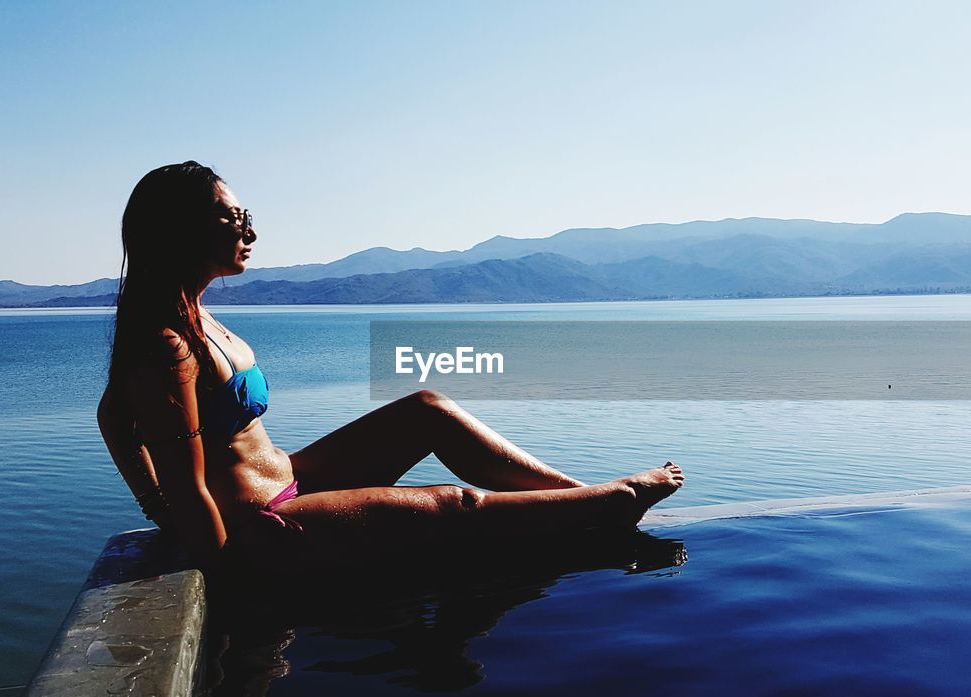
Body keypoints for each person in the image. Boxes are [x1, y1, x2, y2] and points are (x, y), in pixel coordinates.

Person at [97, 161, 684, 571]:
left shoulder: (196, 318)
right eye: (231, 217)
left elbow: (111, 416)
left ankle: (587, 501)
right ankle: (616, 499)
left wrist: (155, 508)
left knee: (427, 408)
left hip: (287, 475)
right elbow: (182, 477)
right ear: (180, 230)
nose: (249, 229)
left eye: (244, 213)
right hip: (264, 517)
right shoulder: (165, 344)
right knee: (454, 504)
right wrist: (216, 556)